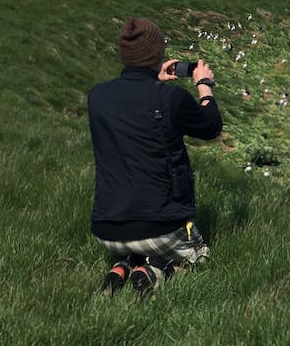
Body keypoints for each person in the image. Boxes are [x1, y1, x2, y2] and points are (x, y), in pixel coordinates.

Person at [87, 16, 222, 299]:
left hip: (106, 230)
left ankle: (123, 264)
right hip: (161, 227)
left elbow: (133, 107)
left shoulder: (96, 97)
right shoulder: (171, 98)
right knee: (200, 255)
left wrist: (151, 79)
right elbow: (210, 126)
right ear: (158, 53)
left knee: (134, 241)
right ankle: (157, 269)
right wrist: (204, 86)